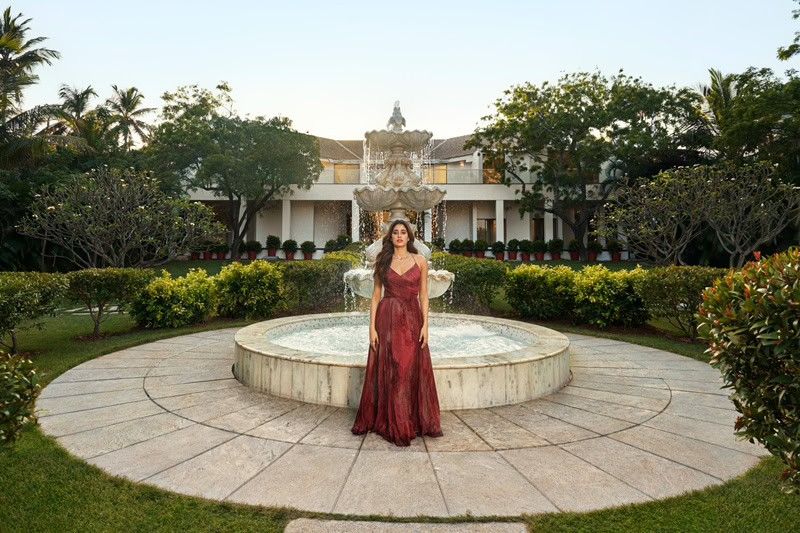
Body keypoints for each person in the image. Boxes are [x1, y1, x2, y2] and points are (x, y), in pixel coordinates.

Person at [351, 219, 444, 446]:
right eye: (396, 233)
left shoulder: (420, 261)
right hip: (387, 318)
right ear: (390, 237)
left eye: (403, 232)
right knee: (392, 369)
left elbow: (423, 296)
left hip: (412, 320)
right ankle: (393, 421)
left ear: (409, 237)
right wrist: (371, 328)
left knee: (407, 368)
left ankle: (408, 419)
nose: (400, 236)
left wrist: (425, 326)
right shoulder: (382, 261)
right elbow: (375, 297)